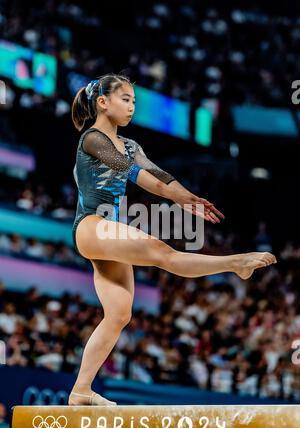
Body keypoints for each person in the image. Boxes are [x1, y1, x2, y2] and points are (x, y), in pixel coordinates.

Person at [68, 73, 276, 406]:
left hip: (109, 233)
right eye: (125, 99)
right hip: (91, 225)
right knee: (162, 251)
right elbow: (133, 172)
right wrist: (162, 186)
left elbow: (159, 179)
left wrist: (188, 199)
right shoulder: (92, 139)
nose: (132, 106)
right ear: (102, 103)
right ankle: (235, 263)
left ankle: (80, 390)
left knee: (119, 314)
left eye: (134, 101)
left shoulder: (132, 146)